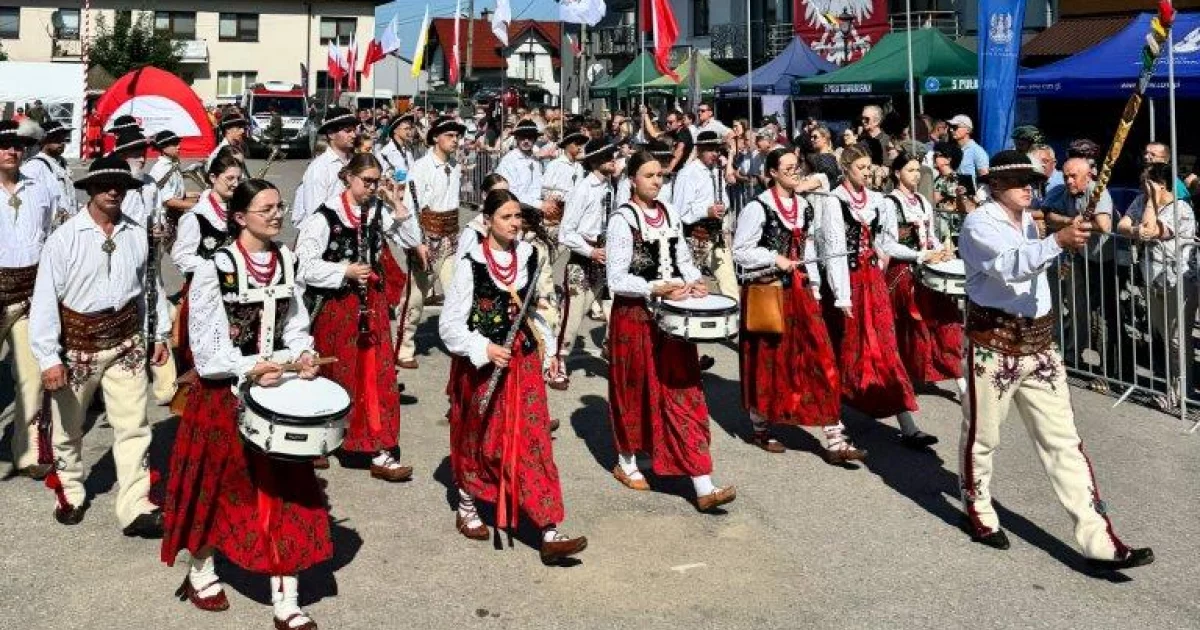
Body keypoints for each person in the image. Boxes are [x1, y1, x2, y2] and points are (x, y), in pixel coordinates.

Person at [957, 150, 1154, 570]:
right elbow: (1009, 267)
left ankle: (1100, 539)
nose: (1030, 186)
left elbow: (1039, 261)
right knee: (984, 437)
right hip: (993, 345)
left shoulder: (1028, 218)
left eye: (1032, 180)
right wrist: (1057, 243)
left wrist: (1061, 238)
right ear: (995, 186)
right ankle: (979, 508)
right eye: (1019, 181)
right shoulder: (979, 223)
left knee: (1064, 442)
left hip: (1040, 345)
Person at [161, 178, 330, 628]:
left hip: (277, 393)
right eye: (266, 209)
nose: (277, 215)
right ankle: (201, 571)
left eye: (280, 206)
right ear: (239, 218)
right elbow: (207, 350)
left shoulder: (287, 260)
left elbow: (294, 323)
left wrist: (302, 354)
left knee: (286, 491)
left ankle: (286, 597)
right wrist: (251, 368)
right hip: (224, 395)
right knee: (218, 488)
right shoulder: (215, 269)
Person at [439, 189, 585, 565]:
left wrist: (551, 352)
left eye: (518, 216)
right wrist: (483, 349)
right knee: (479, 435)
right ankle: (468, 501)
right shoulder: (469, 262)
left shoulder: (530, 256)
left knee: (533, 437)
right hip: (481, 364)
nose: (515, 223)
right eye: (506, 217)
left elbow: (537, 311)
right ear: (487, 220)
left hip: (521, 360)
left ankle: (549, 527)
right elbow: (449, 325)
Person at [29, 155, 171, 534]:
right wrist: (47, 358)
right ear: (90, 189)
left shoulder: (136, 233)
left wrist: (158, 334)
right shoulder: (64, 238)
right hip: (77, 347)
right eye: (106, 184)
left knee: (134, 426)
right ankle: (72, 491)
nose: (114, 191)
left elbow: (149, 289)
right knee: (68, 427)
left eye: (121, 185)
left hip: (126, 342)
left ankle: (136, 505)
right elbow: (44, 299)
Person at [605, 150, 736, 511]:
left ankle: (703, 484)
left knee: (684, 392)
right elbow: (616, 277)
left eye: (660, 175)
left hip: (673, 317)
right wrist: (654, 287)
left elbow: (683, 261)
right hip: (635, 316)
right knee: (635, 389)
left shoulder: (670, 213)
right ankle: (628, 461)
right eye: (648, 175)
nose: (656, 181)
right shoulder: (622, 220)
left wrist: (694, 282)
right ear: (632, 179)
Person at [295, 153, 421, 479]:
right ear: (348, 178)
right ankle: (322, 439)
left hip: (372, 306)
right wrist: (344, 270)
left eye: (375, 181)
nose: (371, 187)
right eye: (366, 181)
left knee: (377, 374)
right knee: (337, 374)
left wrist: (397, 204)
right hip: (338, 308)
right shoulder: (324, 218)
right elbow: (305, 265)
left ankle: (378, 446)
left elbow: (408, 239)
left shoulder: (377, 212)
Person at [733, 148, 853, 459]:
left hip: (800, 293)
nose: (794, 171)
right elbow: (740, 250)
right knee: (768, 361)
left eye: (795, 166)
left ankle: (835, 436)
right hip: (768, 292)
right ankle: (760, 426)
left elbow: (807, 248)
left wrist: (813, 284)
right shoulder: (758, 207)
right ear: (772, 172)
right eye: (787, 167)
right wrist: (774, 257)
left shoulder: (804, 207)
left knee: (820, 356)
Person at [828, 146, 928, 451]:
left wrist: (884, 259)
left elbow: (886, 241)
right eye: (861, 167)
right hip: (849, 281)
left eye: (869, 167)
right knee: (846, 349)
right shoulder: (835, 201)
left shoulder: (877, 201)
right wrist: (841, 294)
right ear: (846, 168)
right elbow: (833, 249)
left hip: (873, 281)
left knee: (886, 348)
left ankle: (908, 425)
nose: (868, 172)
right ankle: (835, 421)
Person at [880, 152, 968, 412]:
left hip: (928, 268)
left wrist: (941, 249)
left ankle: (961, 381)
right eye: (910, 170)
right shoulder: (889, 203)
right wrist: (921, 254)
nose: (916, 175)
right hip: (903, 272)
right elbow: (887, 243)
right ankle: (903, 376)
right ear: (897, 173)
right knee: (911, 326)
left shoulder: (922, 201)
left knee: (947, 321)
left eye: (918, 170)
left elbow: (930, 237)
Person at [1, 120, 56, 480]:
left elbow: (50, 232)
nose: (11, 151)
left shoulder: (40, 187)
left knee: (31, 375)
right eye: (3, 145)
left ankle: (29, 451)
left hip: (29, 293)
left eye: (18, 145)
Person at [1117, 162, 1196, 410]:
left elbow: (1151, 231)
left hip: (1179, 281)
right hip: (1152, 279)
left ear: (1160, 186)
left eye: (1146, 182)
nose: (1141, 186)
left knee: (1177, 340)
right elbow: (1122, 226)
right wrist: (1136, 228)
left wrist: (1150, 205)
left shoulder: (1180, 209)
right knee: (1164, 337)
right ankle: (1175, 387)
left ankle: (1181, 393)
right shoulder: (1140, 201)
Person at [396, 116, 464, 370]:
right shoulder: (422, 167)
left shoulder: (455, 166)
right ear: (436, 137)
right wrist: (417, 242)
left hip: (450, 237)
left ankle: (459, 343)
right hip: (427, 237)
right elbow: (413, 208)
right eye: (450, 136)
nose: (455, 140)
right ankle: (404, 346)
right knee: (416, 296)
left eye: (457, 136)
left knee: (457, 291)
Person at [555, 139, 620, 388]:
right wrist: (590, 251)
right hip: (582, 261)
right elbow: (566, 233)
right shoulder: (582, 190)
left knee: (616, 312)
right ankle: (558, 361)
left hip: (606, 261)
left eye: (613, 154)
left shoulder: (610, 187)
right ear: (594, 162)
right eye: (607, 156)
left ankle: (611, 350)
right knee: (572, 318)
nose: (613, 159)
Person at [674, 130, 739, 304]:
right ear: (700, 149)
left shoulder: (716, 171)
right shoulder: (687, 174)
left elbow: (723, 200)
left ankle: (733, 322)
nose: (716, 154)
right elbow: (679, 212)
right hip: (695, 236)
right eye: (711, 149)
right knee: (691, 286)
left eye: (717, 149)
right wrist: (706, 211)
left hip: (716, 234)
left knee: (729, 283)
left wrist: (722, 209)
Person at [291, 106, 357, 226]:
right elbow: (315, 211)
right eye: (348, 131)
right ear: (331, 134)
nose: (353, 135)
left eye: (354, 130)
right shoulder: (320, 168)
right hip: (328, 231)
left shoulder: (355, 161)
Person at [21, 120, 78, 227]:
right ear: (43, 141)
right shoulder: (34, 166)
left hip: (68, 226)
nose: (61, 142)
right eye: (56, 139)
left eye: (63, 138)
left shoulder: (62, 163)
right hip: (50, 229)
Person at [147, 130, 200, 241]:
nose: (179, 147)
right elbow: (168, 201)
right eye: (174, 144)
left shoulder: (173, 164)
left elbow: (175, 192)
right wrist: (198, 207)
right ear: (164, 148)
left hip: (176, 216)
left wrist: (198, 195)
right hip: (166, 221)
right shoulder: (162, 169)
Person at [541, 128, 589, 246]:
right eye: (576, 144)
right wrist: (557, 196)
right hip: (557, 215)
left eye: (581, 144)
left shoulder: (579, 168)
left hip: (574, 215)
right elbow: (544, 189)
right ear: (567, 145)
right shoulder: (555, 165)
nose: (579, 147)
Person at [496, 119, 545, 209]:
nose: (526, 141)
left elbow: (539, 186)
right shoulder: (509, 161)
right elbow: (512, 192)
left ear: (535, 139)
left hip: (534, 208)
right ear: (517, 138)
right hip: (514, 208)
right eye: (522, 137)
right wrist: (539, 204)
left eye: (530, 137)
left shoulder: (536, 161)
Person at [375, 114, 418, 185]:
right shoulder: (385, 153)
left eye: (410, 129)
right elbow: (383, 179)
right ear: (395, 130)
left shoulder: (408, 149)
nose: (409, 132)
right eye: (406, 129)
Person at [948, 115, 989, 186]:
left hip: (970, 195)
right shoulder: (952, 149)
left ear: (967, 130)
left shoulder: (977, 151)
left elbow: (984, 178)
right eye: (950, 127)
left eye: (955, 127)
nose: (951, 130)